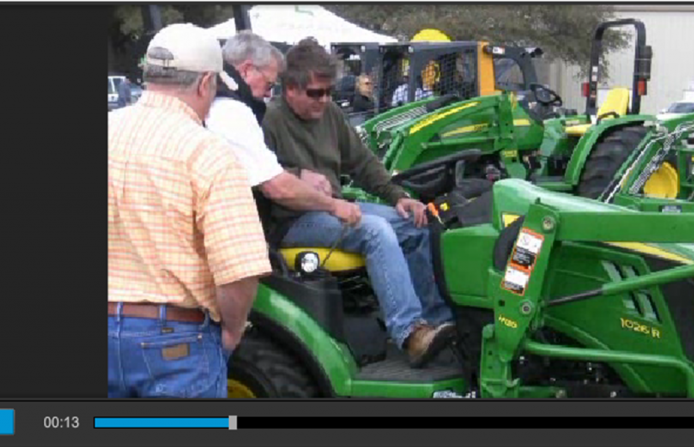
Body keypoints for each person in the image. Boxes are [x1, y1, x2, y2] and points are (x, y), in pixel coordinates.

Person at [262, 38, 456, 368]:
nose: (324, 100)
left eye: (328, 92)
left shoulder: (331, 115)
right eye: (315, 93)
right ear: (290, 88)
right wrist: (295, 174)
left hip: (332, 209)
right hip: (292, 220)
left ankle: (438, 325)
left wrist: (401, 198)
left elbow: (363, 163)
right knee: (375, 231)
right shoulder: (269, 121)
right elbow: (256, 175)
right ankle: (409, 333)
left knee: (416, 223)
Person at [108, 23, 271, 398]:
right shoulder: (208, 152)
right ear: (205, 84)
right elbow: (239, 270)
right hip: (174, 343)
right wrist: (231, 331)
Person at [204, 31, 362, 229]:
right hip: (245, 225)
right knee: (376, 232)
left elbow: (362, 159)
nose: (269, 93)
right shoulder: (232, 111)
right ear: (247, 70)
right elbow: (275, 186)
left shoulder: (211, 100)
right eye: (269, 84)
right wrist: (333, 205)